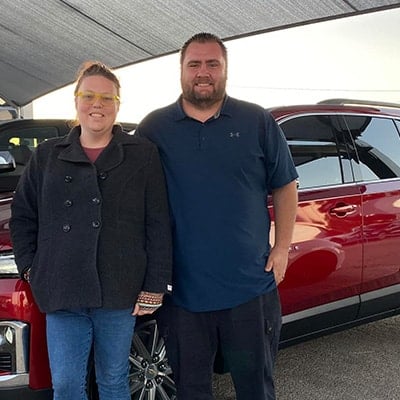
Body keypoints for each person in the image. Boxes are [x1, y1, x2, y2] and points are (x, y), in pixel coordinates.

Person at [135, 33, 298, 400]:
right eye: (194, 64)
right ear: (181, 70)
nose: (203, 72)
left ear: (225, 70)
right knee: (192, 391)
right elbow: (130, 196)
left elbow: (286, 185)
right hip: (182, 295)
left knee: (256, 389)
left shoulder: (256, 121)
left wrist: (282, 248)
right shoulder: (154, 128)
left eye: (212, 64)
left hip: (249, 287)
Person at [10, 61, 172, 400]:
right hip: (63, 287)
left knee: (113, 382)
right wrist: (31, 268)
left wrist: (155, 286)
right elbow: (23, 217)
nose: (97, 104)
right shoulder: (47, 156)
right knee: (67, 385)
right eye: (89, 95)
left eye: (106, 97)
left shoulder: (142, 154)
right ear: (76, 100)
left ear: (117, 104)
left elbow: (157, 222)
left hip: (119, 289)